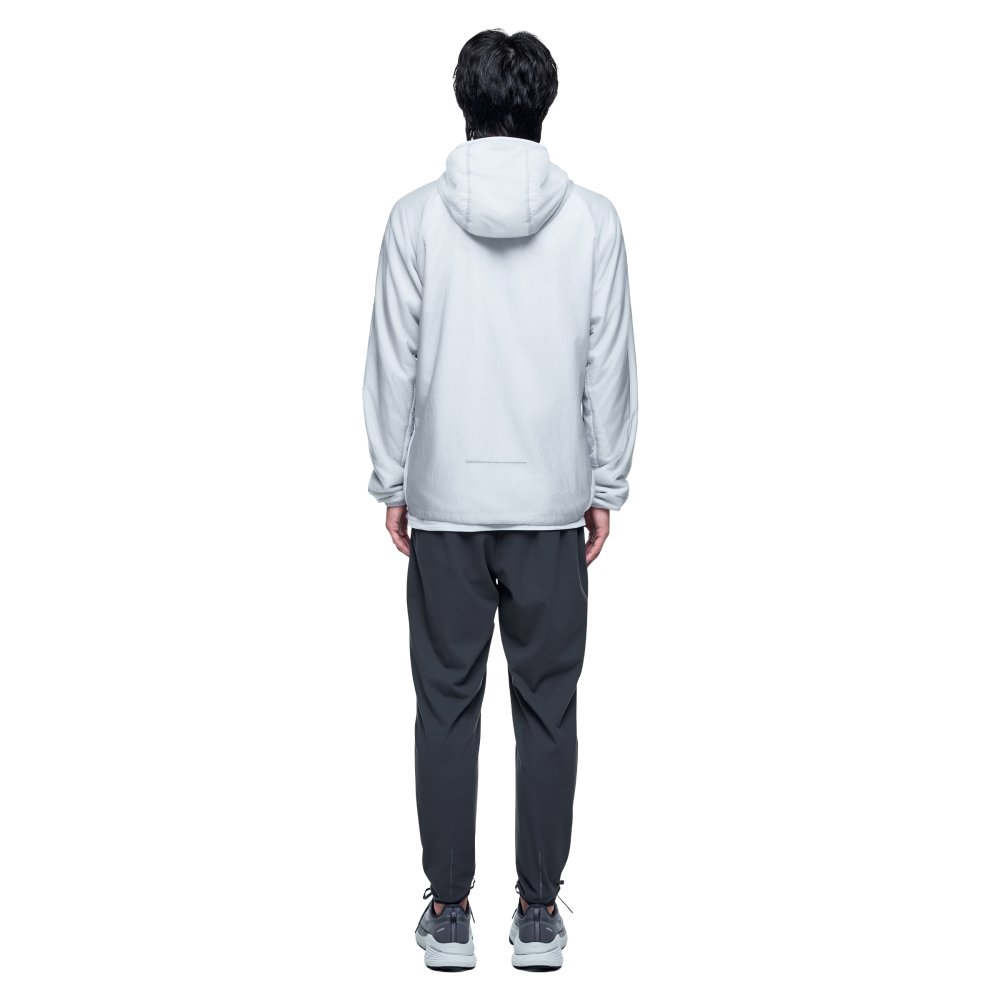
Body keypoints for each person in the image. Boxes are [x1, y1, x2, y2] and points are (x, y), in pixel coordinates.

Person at [361, 28, 639, 972]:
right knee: (548, 708)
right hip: (552, 503)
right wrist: (606, 483)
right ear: (543, 105)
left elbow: (391, 361)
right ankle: (539, 915)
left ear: (464, 104)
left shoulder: (414, 219)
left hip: (444, 503)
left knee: (445, 705)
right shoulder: (593, 221)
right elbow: (610, 362)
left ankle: (448, 915)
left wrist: (392, 479)